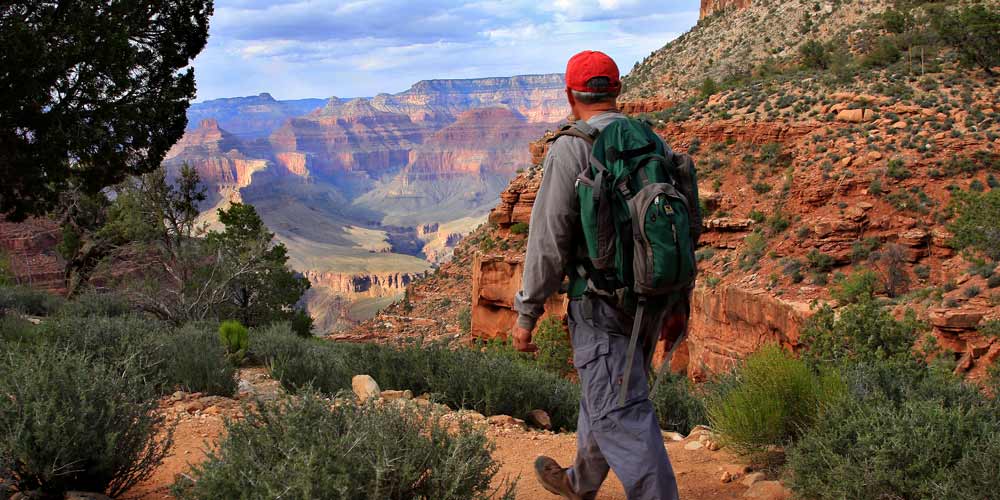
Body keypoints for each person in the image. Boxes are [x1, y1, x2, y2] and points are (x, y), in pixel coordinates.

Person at [512, 50, 686, 500]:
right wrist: (678, 303)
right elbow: (682, 229)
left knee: (621, 410)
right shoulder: (652, 142)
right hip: (652, 298)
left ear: (570, 96)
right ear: (618, 91)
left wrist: (527, 313)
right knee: (608, 391)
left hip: (602, 303)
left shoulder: (573, 146)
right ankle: (578, 482)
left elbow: (548, 239)